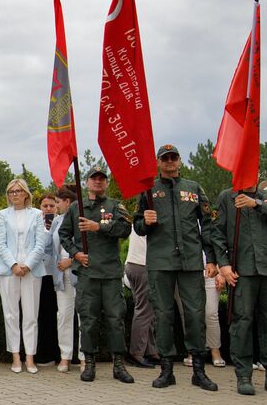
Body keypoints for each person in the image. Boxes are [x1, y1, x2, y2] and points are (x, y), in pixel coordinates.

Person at [135, 144, 222, 391]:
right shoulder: (149, 190)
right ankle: (167, 370)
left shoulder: (193, 189)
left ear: (180, 161)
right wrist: (146, 222)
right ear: (158, 162)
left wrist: (212, 258)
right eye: (165, 158)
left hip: (190, 261)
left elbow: (208, 225)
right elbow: (137, 225)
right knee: (163, 315)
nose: (170, 161)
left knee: (196, 314)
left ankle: (199, 370)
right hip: (160, 262)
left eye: (173, 157)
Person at [215, 180, 267, 396]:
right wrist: (223, 264)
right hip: (242, 271)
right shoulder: (226, 198)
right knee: (242, 323)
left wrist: (256, 204)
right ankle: (243, 376)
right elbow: (216, 233)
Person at [59, 164, 134, 383]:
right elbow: (63, 235)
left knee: (115, 320)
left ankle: (118, 365)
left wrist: (99, 227)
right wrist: (75, 254)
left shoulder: (115, 205)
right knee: (88, 320)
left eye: (102, 178)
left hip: (110, 273)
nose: (98, 181)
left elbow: (125, 229)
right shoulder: (76, 208)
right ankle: (89, 364)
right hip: (87, 274)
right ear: (87, 182)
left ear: (107, 182)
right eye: (94, 178)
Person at [0, 180, 51, 373]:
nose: (14, 194)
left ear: (26, 194)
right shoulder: (3, 215)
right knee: (10, 314)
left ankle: (30, 357)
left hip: (31, 270)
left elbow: (40, 244)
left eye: (18, 191)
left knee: (31, 315)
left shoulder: (36, 214)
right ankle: (15, 357)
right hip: (8, 269)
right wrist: (13, 264)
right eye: (11, 191)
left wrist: (27, 265)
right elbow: (0, 243)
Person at [44, 187, 80, 372]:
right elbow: (49, 247)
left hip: (80, 274)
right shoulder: (57, 221)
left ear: (67, 202)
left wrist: (71, 260)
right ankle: (64, 357)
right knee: (64, 316)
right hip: (61, 276)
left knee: (84, 317)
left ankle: (84, 357)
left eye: (57, 202)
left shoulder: (82, 219)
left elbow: (91, 246)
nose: (55, 206)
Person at [123, 230, 157, 369]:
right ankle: (136, 353)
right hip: (143, 265)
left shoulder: (141, 214)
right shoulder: (151, 215)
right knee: (144, 311)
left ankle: (150, 351)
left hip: (133, 264)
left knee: (146, 311)